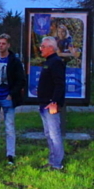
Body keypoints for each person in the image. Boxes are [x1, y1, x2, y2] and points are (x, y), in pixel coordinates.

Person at [0, 34, 26, 165]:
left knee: (9, 127)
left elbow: (21, 79)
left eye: (3, 43)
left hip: (7, 97)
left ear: (8, 45)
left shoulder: (14, 61)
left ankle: (10, 154)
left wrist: (12, 94)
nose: (0, 45)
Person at [36, 36, 66, 170]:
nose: (40, 49)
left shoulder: (56, 62)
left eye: (42, 46)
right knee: (48, 134)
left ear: (50, 48)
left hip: (50, 105)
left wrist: (55, 101)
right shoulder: (49, 62)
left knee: (54, 134)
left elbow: (60, 84)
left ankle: (57, 164)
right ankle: (52, 159)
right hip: (44, 103)